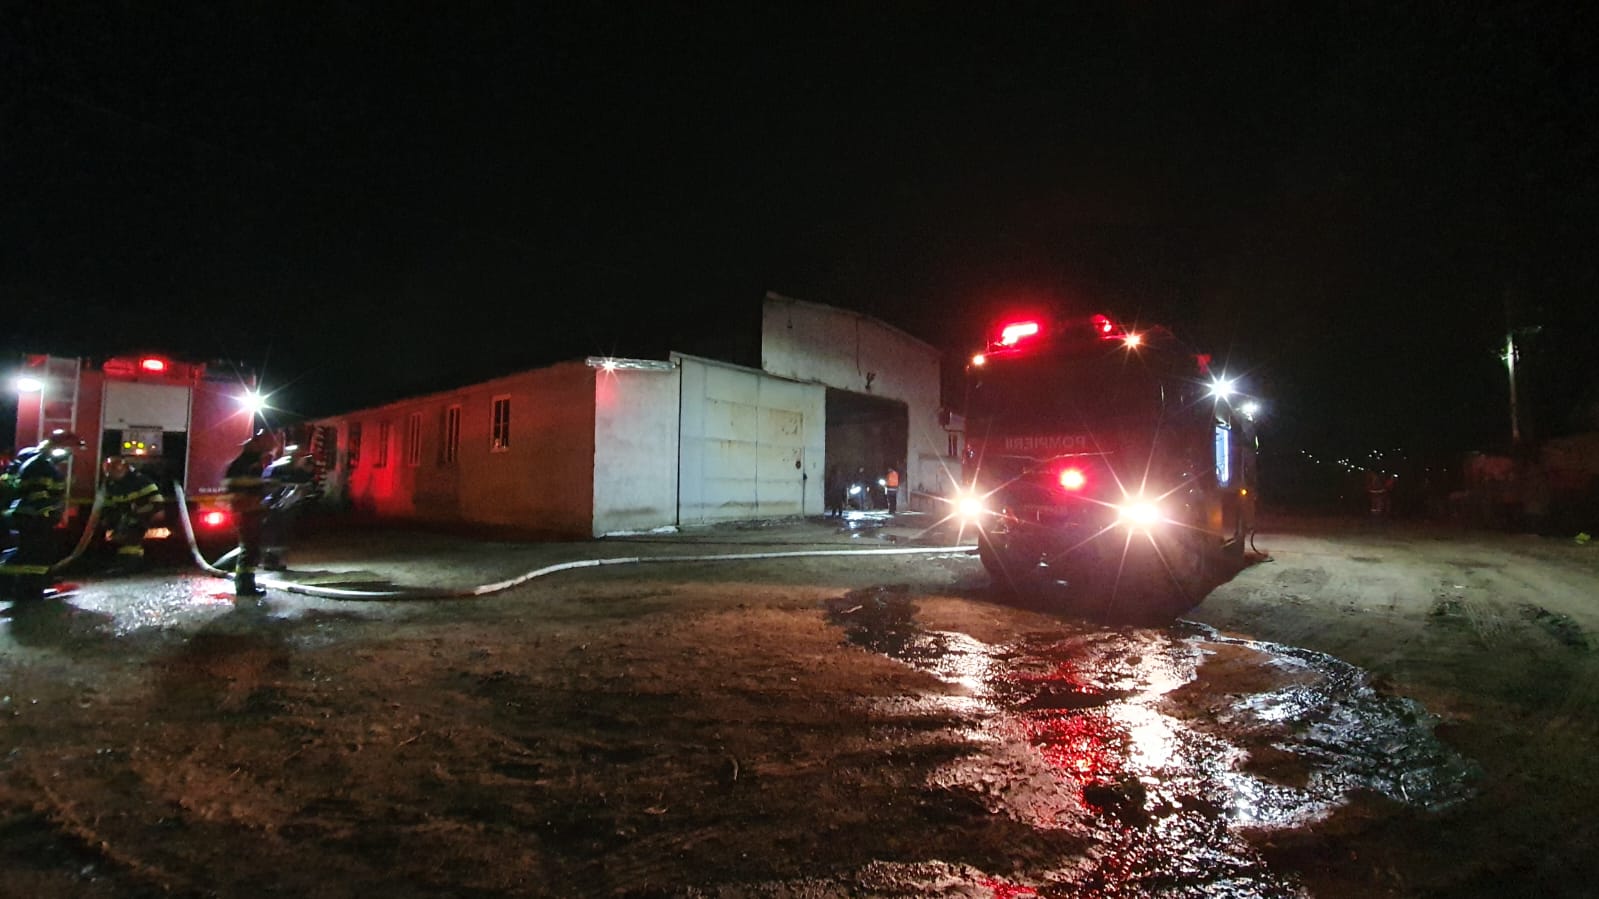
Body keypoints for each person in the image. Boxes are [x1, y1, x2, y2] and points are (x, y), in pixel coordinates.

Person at [0, 431, 83, 602]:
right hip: (34, 517)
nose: (70, 455)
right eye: (70, 450)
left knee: (31, 552)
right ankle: (28, 589)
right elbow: (38, 495)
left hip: (25, 515)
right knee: (35, 555)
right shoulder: (42, 465)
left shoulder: (37, 460)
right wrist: (49, 513)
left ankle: (28, 586)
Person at [223, 430, 279, 598]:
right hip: (247, 511)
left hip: (246, 511)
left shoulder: (245, 463)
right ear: (256, 444)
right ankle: (245, 586)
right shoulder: (249, 464)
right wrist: (267, 485)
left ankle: (245, 584)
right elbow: (246, 487)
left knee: (250, 549)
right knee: (250, 550)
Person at [99, 456, 165, 574]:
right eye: (110, 472)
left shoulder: (141, 482)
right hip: (127, 516)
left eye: (115, 471)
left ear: (124, 469)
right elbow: (109, 503)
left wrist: (139, 513)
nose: (112, 475)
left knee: (131, 538)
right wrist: (107, 518)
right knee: (121, 537)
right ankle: (125, 564)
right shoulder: (112, 484)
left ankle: (131, 565)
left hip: (144, 514)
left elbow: (158, 504)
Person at [261, 452, 318, 571]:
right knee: (277, 535)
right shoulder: (293, 474)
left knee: (277, 535)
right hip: (280, 508)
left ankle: (271, 560)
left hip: (280, 507)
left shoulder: (293, 473)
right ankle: (270, 561)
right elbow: (292, 492)